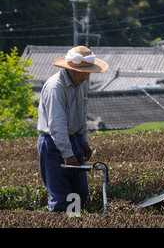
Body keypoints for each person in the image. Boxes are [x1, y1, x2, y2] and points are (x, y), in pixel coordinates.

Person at [37, 45, 109, 212]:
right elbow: (57, 125)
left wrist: (84, 142)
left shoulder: (81, 83)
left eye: (88, 71)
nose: (86, 76)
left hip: (75, 140)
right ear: (72, 69)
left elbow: (81, 115)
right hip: (54, 145)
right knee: (61, 198)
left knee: (80, 193)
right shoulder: (56, 87)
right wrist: (67, 154)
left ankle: (73, 221)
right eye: (84, 72)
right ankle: (60, 222)